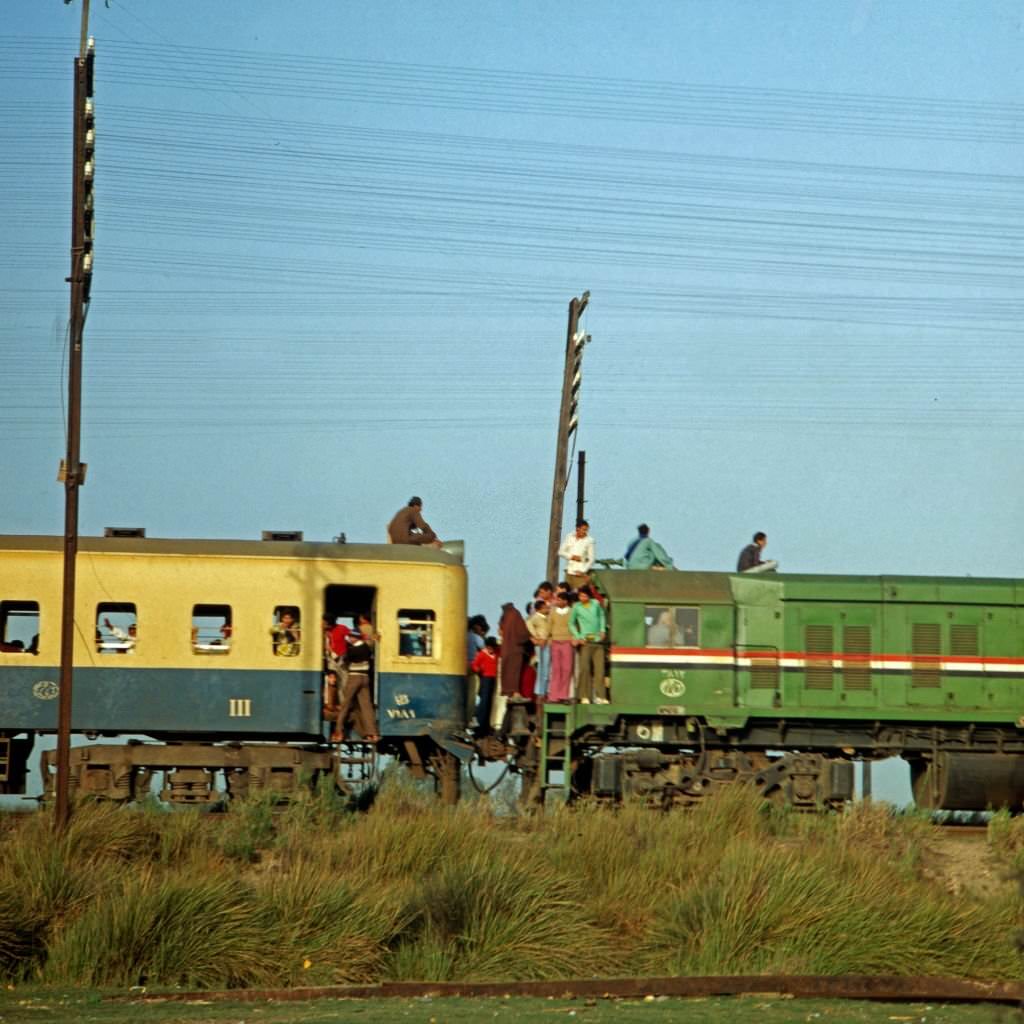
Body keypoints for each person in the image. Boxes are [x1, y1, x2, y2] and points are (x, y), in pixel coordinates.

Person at [332, 631, 378, 743]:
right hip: (365, 678)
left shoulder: (352, 650)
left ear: (356, 638)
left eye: (351, 637)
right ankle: (372, 733)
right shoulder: (367, 648)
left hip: (354, 677)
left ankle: (338, 732)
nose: (349, 639)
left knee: (345, 704)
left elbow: (342, 661)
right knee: (366, 706)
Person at [569, 585, 607, 704]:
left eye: (584, 595)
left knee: (599, 670)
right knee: (585, 669)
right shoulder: (576, 607)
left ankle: (601, 696)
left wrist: (602, 630)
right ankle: (584, 695)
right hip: (585, 641)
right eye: (580, 596)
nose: (582, 598)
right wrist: (578, 636)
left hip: (597, 641)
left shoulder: (595, 603)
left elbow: (601, 616)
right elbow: (571, 623)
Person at [546, 591, 575, 703]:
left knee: (567, 669)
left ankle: (563, 695)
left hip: (567, 641)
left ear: (565, 601)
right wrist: (548, 638)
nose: (557, 602)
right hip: (555, 641)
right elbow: (549, 625)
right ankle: (553, 696)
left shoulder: (571, 612)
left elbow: (573, 625)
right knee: (556, 669)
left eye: (559, 600)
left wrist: (574, 637)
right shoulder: (553, 612)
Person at [498, 602, 531, 698]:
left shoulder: (504, 617)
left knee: (507, 671)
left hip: (505, 649)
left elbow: (501, 631)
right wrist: (530, 637)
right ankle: (515, 692)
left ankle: (508, 692)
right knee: (515, 672)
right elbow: (522, 633)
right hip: (516, 649)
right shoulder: (515, 614)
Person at [470, 636, 500, 735]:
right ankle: (481, 724)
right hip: (485, 679)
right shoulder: (482, 654)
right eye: (489, 648)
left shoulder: (497, 652)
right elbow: (474, 665)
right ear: (487, 647)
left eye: (492, 648)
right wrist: (479, 670)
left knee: (491, 702)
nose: (491, 650)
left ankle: (486, 725)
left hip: (493, 679)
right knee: (484, 701)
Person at [558, 519, 595, 590]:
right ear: (578, 528)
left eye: (586, 530)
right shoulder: (569, 536)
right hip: (569, 571)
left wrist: (583, 571)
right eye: (584, 530)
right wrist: (572, 557)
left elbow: (591, 559)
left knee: (579, 593)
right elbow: (561, 552)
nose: (585, 532)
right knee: (567, 593)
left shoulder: (590, 540)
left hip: (579, 573)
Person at [526, 599, 551, 703]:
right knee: (541, 668)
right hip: (540, 644)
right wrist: (536, 638)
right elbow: (528, 626)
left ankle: (545, 690)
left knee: (547, 668)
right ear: (539, 609)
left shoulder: (548, 618)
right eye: (545, 607)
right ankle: (540, 691)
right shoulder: (534, 618)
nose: (547, 609)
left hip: (548, 643)